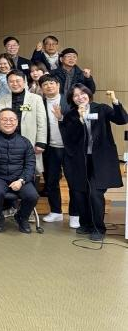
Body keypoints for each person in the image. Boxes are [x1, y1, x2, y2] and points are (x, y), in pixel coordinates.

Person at [59, 86, 127, 242]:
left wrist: (115, 101)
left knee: (95, 193)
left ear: (88, 94)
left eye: (82, 93)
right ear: (72, 99)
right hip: (80, 160)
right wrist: (80, 120)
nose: (80, 97)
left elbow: (122, 119)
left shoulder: (101, 109)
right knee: (80, 193)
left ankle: (98, 228)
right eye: (75, 95)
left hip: (100, 159)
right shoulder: (71, 115)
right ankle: (86, 224)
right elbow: (68, 138)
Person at [0, 109, 39, 233]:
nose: (8, 122)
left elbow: (30, 164)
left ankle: (22, 217)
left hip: (19, 177)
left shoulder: (25, 142)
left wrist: (21, 180)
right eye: (4, 119)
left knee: (32, 196)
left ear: (17, 122)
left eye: (11, 120)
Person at [0, 69, 47, 174]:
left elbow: (42, 122)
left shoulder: (36, 99)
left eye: (18, 81)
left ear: (24, 81)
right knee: (7, 169)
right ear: (8, 83)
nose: (15, 84)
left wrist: (41, 142)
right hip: (6, 141)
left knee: (30, 170)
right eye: (11, 81)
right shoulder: (3, 99)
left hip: (28, 140)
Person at [38, 74, 75, 226]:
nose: (49, 86)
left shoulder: (70, 101)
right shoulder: (39, 102)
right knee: (51, 181)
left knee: (73, 181)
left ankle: (75, 214)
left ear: (58, 85)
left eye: (52, 83)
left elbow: (77, 122)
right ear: (41, 88)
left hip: (69, 148)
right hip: (50, 148)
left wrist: (61, 118)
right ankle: (56, 212)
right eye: (45, 84)